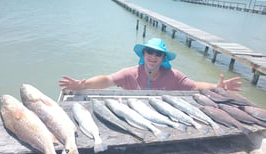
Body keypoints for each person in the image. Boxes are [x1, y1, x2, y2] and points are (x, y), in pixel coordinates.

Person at [59, 38, 242, 92]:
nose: (153, 56)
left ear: (163, 58)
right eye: (150, 52)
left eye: (158, 54)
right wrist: (82, 85)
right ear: (144, 54)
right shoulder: (129, 74)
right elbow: (107, 80)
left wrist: (216, 87)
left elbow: (194, 86)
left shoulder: (174, 76)